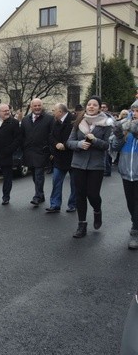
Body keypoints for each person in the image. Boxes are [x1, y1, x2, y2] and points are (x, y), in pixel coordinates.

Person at [66, 96, 112, 238]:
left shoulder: (106, 123)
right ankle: (82, 225)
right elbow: (69, 142)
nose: (91, 106)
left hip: (95, 165)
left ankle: (97, 211)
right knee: (80, 195)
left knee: (92, 194)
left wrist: (95, 140)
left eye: (95, 105)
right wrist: (79, 144)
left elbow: (106, 145)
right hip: (78, 163)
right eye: (89, 104)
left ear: (99, 107)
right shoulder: (79, 121)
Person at [111, 107, 138, 249]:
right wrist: (119, 135)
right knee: (131, 203)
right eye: (134, 110)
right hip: (127, 172)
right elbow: (114, 147)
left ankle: (135, 231)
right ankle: (135, 222)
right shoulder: (124, 125)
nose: (135, 113)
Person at [20, 98, 54, 206]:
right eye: (35, 106)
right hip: (29, 152)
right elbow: (22, 136)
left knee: (39, 174)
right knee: (34, 175)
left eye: (39, 105)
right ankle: (41, 194)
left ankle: (37, 196)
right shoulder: (25, 120)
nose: (37, 107)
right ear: (31, 107)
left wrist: (51, 151)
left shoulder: (49, 119)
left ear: (42, 106)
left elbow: (52, 135)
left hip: (42, 152)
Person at [45, 103, 76, 213]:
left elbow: (75, 137)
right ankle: (55, 204)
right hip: (59, 156)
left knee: (74, 183)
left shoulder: (74, 120)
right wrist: (56, 144)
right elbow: (51, 136)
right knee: (56, 181)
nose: (53, 112)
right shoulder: (55, 122)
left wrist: (65, 145)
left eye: (54, 110)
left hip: (73, 156)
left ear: (60, 111)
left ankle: (73, 204)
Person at [101, 102, 114, 176]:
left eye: (104, 107)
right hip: (100, 138)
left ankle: (107, 170)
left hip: (108, 138)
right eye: (101, 107)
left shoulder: (109, 117)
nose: (102, 108)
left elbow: (113, 128)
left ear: (107, 108)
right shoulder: (98, 116)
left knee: (106, 155)